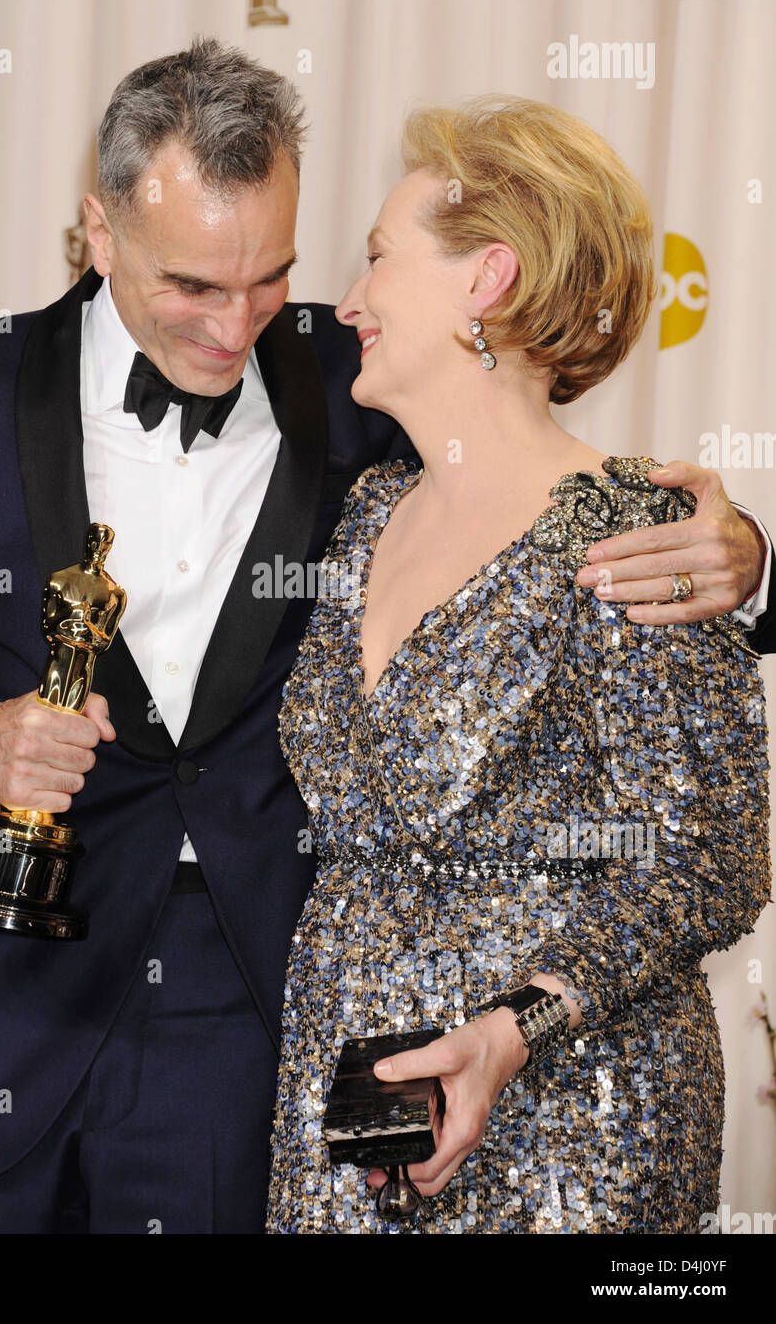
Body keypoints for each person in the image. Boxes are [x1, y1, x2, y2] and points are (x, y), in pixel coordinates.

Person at [0, 44, 769, 1235]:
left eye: (268, 277)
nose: (234, 329)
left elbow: (554, 503)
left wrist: (746, 561)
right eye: (192, 285)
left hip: (249, 1018)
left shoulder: (361, 381)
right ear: (100, 229)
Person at [265, 96, 772, 1234]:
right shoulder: (364, 514)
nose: (348, 300)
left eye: (379, 257)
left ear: (486, 278)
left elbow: (711, 861)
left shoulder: (632, 525)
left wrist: (511, 1031)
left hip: (565, 1127)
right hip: (348, 1106)